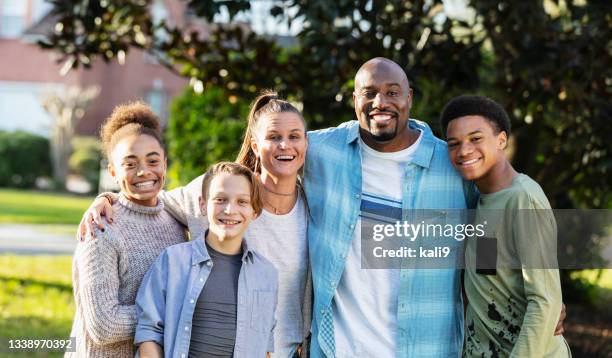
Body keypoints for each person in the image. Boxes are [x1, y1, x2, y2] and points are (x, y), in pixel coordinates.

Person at [80, 91, 311, 358]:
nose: (284, 145)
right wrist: (107, 198)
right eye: (273, 137)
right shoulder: (226, 188)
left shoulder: (313, 206)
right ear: (256, 146)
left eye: (294, 136)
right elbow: (149, 194)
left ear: (305, 143)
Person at [440, 95, 571, 357]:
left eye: (476, 139)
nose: (464, 150)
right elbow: (488, 278)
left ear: (501, 140)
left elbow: (544, 300)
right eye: (454, 143)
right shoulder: (482, 202)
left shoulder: (524, 198)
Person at [67, 102, 186, 357]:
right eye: (130, 164)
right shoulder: (100, 228)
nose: (144, 172)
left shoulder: (174, 216)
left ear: (164, 163)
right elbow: (104, 325)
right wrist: (177, 310)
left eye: (152, 161)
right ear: (112, 170)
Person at [134, 162, 278, 358]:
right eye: (220, 199)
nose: (229, 210)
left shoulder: (266, 274)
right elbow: (149, 331)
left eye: (242, 202)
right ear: (203, 204)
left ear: (255, 211)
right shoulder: (173, 261)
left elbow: (264, 344)